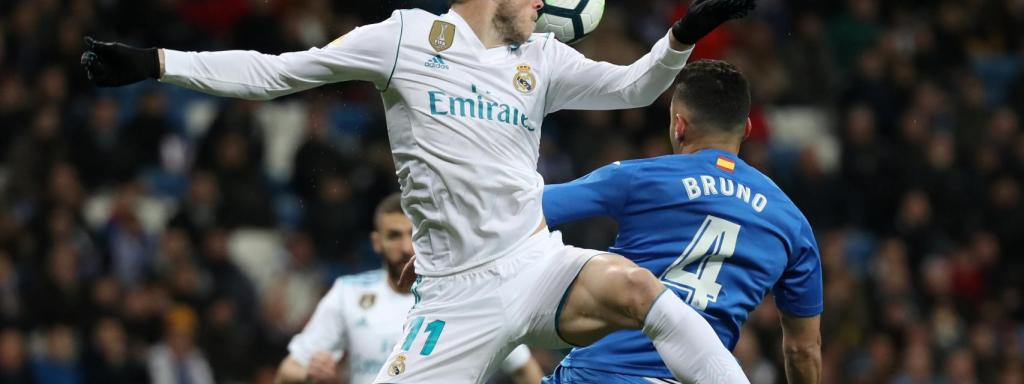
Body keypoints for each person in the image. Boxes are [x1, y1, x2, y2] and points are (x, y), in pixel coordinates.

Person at [80, 0, 757, 382]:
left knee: (640, 290)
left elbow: (635, 86)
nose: (548, 11)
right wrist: (155, 63)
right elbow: (278, 72)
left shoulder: (540, 59)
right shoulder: (404, 40)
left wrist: (684, 33)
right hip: (456, 295)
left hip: (534, 261)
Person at [541, 60, 823, 384]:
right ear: (746, 128)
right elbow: (804, 350)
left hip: (600, 374)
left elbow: (528, 209)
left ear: (679, 126)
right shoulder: (792, 222)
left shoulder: (640, 178)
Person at [275, 194, 542, 384]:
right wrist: (309, 374)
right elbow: (288, 371)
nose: (406, 248)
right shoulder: (348, 294)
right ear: (376, 242)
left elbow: (523, 369)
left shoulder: (465, 298)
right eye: (394, 236)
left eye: (413, 235)